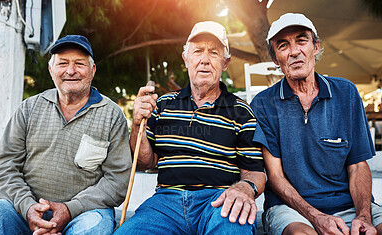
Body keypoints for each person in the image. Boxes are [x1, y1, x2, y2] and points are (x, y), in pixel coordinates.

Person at [115, 21, 266, 235]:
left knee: (232, 229)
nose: (204, 60)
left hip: (218, 201)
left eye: (214, 53)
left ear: (225, 63)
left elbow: (254, 173)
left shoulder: (241, 112)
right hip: (166, 204)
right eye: (197, 51)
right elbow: (144, 162)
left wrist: (244, 188)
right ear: (186, 59)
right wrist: (138, 123)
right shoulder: (163, 104)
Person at [0, 35, 132, 235]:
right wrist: (28, 207)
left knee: (95, 229)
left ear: (92, 71)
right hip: (24, 211)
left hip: (82, 214)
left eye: (79, 63)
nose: (71, 71)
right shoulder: (29, 108)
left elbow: (117, 181)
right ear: (51, 70)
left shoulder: (112, 115)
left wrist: (70, 209)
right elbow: (3, 166)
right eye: (63, 63)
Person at [250, 13, 382, 235]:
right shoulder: (264, 104)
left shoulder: (346, 92)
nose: (294, 51)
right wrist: (316, 217)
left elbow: (358, 165)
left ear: (316, 47)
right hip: (292, 209)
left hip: (351, 205)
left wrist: (363, 216)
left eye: (302, 40)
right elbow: (275, 177)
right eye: (283, 45)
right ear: (275, 59)